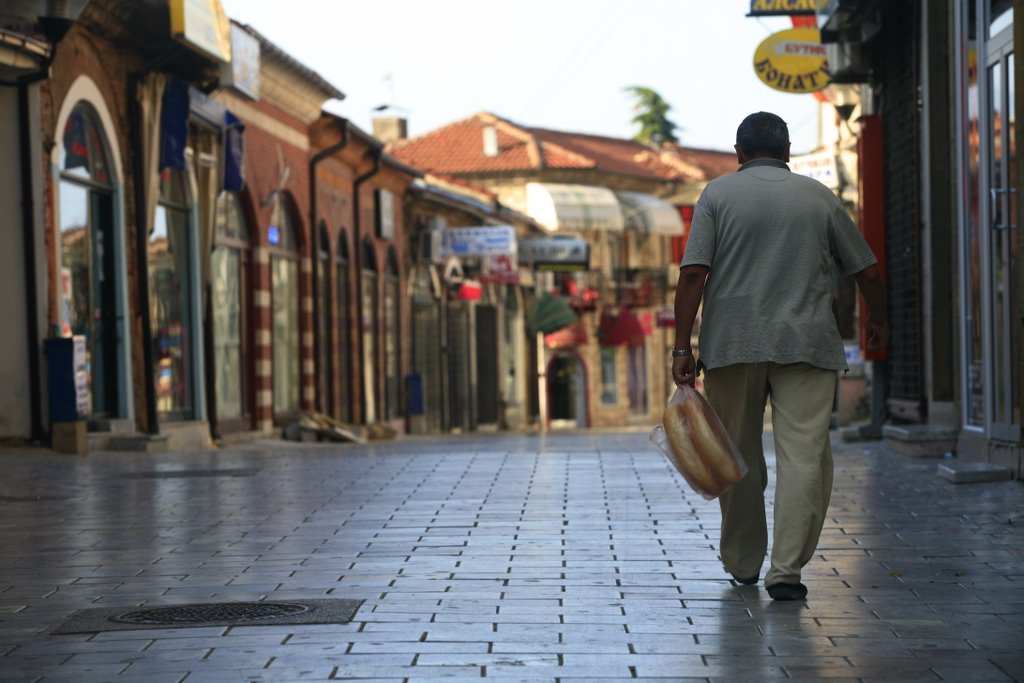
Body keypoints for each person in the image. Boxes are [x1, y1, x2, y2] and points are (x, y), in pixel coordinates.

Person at [671, 111, 888, 601]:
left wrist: (683, 346)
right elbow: (867, 270)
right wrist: (881, 318)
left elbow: (692, 275)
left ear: (739, 153)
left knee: (737, 453)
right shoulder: (817, 196)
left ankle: (745, 561)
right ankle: (786, 571)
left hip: (732, 345)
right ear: (788, 151)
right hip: (807, 344)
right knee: (805, 455)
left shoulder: (717, 196)